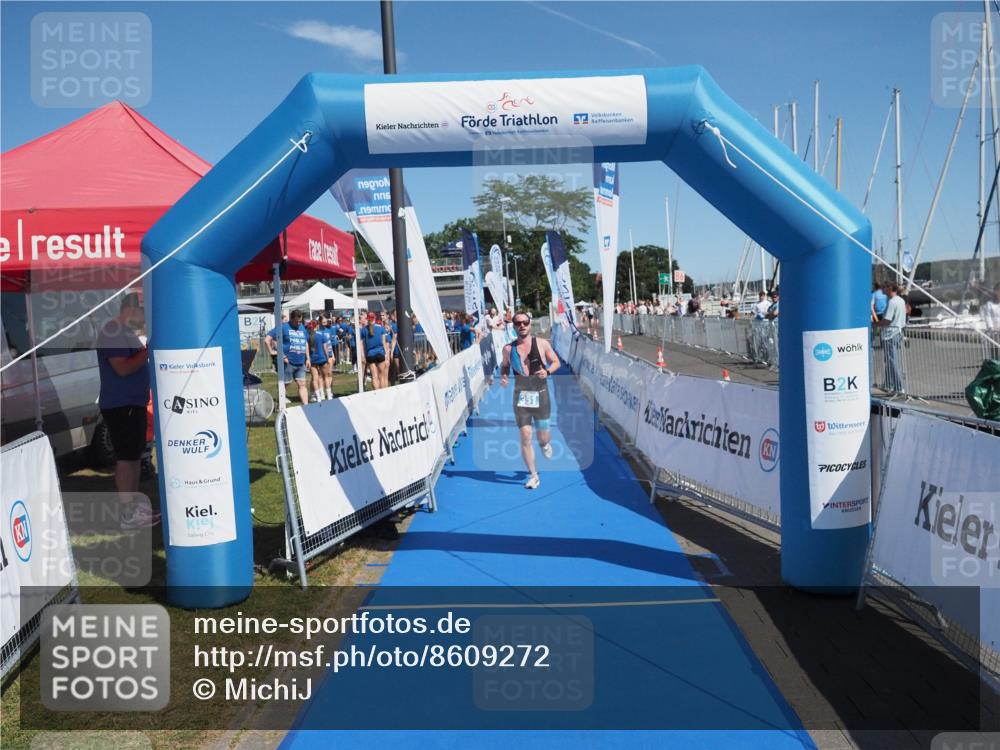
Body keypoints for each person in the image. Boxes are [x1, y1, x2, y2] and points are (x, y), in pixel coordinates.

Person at [96, 293, 159, 529]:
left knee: (133, 457)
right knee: (126, 459)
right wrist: (148, 351)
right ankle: (127, 513)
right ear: (132, 309)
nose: (144, 319)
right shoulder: (113, 332)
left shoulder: (126, 333)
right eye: (143, 313)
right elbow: (122, 368)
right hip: (121, 405)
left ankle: (133, 509)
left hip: (133, 403)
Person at [500, 311, 561, 490]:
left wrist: (547, 372)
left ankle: (544, 444)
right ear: (514, 326)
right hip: (521, 397)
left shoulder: (541, 343)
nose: (522, 326)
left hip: (541, 395)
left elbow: (556, 362)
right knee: (526, 436)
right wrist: (504, 377)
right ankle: (533, 475)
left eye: (525, 322)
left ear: (529, 323)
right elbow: (504, 366)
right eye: (518, 323)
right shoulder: (508, 349)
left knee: (543, 436)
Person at [267, 309, 310, 403]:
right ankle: (280, 403)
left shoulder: (302, 328)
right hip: (288, 362)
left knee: (302, 384)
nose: (298, 323)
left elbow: (305, 343)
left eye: (300, 321)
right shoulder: (283, 327)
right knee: (285, 384)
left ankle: (306, 406)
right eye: (296, 321)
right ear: (291, 319)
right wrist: (273, 352)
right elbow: (267, 339)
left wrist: (308, 359)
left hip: (301, 362)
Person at [875, 282, 906, 393]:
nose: (882, 289)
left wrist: (873, 324)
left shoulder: (892, 302)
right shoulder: (900, 300)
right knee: (889, 360)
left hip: (889, 334)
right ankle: (888, 384)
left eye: (884, 287)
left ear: (889, 288)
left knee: (892, 361)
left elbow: (886, 321)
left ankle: (898, 387)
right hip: (897, 332)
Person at [360, 312, 390, 389]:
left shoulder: (363, 330)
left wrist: (363, 355)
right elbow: (384, 343)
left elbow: (362, 345)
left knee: (374, 376)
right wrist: (386, 355)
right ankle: (383, 393)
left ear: (367, 319)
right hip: (380, 353)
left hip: (370, 354)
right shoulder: (381, 328)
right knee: (382, 376)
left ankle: (376, 393)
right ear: (375, 318)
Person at [307, 318, 331, 401]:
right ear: (316, 326)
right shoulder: (321, 334)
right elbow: (325, 348)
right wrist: (328, 358)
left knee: (315, 378)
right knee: (326, 377)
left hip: (313, 359)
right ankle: (329, 395)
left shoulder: (308, 336)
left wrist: (308, 359)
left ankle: (318, 397)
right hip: (322, 359)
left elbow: (307, 349)